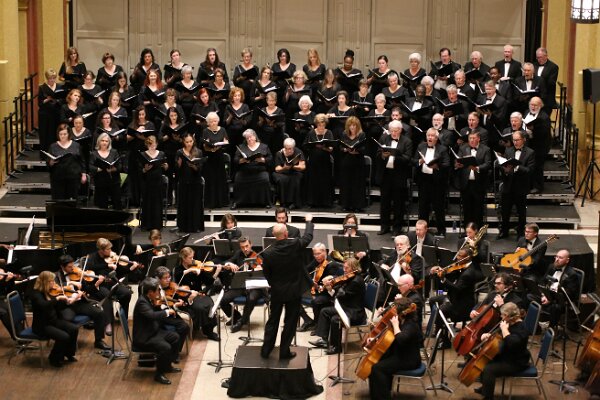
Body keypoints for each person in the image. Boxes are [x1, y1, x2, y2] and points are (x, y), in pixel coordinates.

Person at [260, 214, 314, 360]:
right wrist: (309, 221)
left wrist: (274, 284)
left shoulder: (268, 253)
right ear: (286, 234)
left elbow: (267, 274)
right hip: (294, 291)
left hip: (277, 291)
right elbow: (308, 237)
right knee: (290, 322)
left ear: (274, 235)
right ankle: (284, 351)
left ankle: (266, 350)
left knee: (273, 321)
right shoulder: (295, 245)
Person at [367, 297, 423, 400]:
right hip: (400, 354)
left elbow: (401, 339)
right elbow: (388, 335)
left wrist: (396, 325)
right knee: (375, 362)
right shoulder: (403, 320)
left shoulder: (411, 324)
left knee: (377, 369)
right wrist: (375, 339)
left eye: (395, 309)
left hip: (409, 359)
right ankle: (379, 394)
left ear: (402, 312)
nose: (393, 311)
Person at [473, 302, 531, 400]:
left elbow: (512, 343)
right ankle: (485, 388)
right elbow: (500, 337)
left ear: (509, 316)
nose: (501, 317)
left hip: (516, 362)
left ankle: (488, 397)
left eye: (503, 315)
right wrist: (489, 336)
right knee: (484, 361)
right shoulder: (510, 322)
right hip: (507, 356)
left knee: (489, 369)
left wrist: (504, 330)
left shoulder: (522, 328)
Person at [309, 257, 365, 355]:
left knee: (335, 319)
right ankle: (324, 340)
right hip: (346, 306)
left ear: (353, 268)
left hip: (354, 311)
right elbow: (340, 292)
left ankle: (336, 347)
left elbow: (341, 297)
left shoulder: (356, 281)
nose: (344, 270)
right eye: (344, 267)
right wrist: (330, 287)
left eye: (346, 268)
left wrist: (330, 289)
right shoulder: (349, 277)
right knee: (324, 311)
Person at [429, 248, 483, 349]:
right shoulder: (462, 266)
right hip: (454, 297)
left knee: (441, 311)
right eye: (458, 255)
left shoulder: (469, 273)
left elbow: (457, 289)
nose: (457, 258)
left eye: (460, 256)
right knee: (433, 300)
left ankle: (445, 341)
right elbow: (452, 273)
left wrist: (443, 279)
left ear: (468, 258)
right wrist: (441, 270)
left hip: (462, 305)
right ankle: (438, 328)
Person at [132, 277, 182, 385]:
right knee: (165, 347)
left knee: (175, 337)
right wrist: (167, 312)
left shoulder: (149, 299)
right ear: (150, 292)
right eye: (158, 290)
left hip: (153, 332)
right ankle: (159, 374)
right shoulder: (142, 302)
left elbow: (154, 311)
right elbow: (152, 315)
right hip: (144, 338)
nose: (159, 292)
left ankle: (167, 366)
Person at [54, 254, 109, 348]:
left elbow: (86, 290)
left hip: (79, 303)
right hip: (66, 305)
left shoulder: (77, 273)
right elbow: (56, 287)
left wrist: (96, 284)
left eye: (73, 265)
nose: (72, 268)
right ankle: (65, 343)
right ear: (62, 266)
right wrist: (70, 282)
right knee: (67, 318)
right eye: (69, 267)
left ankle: (99, 341)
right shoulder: (56, 275)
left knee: (99, 312)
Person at [30, 271, 79, 367]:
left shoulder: (50, 292)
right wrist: (57, 299)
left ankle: (68, 354)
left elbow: (57, 307)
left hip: (54, 320)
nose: (54, 283)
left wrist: (67, 301)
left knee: (73, 329)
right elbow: (44, 305)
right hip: (42, 325)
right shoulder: (36, 294)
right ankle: (54, 358)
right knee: (64, 336)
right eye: (51, 281)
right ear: (45, 282)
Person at [154, 266, 216, 341]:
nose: (168, 280)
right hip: (177, 308)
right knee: (200, 309)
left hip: (185, 302)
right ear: (158, 279)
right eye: (165, 278)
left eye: (169, 277)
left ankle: (208, 329)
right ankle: (207, 331)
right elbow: (165, 307)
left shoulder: (172, 285)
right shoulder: (157, 291)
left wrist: (190, 297)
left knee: (206, 304)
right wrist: (177, 304)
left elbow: (183, 296)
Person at [220, 237, 268, 333]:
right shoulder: (238, 254)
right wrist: (230, 264)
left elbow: (266, 272)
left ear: (251, 245)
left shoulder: (257, 256)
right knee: (223, 300)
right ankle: (237, 317)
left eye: (247, 246)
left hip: (255, 287)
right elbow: (225, 262)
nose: (245, 249)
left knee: (251, 299)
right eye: (242, 247)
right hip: (241, 286)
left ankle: (241, 322)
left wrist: (260, 269)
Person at [85, 238, 135, 322]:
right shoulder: (92, 257)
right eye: (108, 249)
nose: (111, 251)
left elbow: (120, 271)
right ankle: (108, 321)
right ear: (101, 250)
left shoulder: (111, 257)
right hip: (100, 285)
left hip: (112, 283)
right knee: (107, 296)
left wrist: (131, 268)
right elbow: (89, 268)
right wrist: (106, 265)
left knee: (127, 293)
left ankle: (122, 316)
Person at [376, 120, 413, 235]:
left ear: (400, 130)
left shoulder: (407, 141)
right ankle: (384, 226)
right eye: (391, 131)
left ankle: (397, 228)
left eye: (396, 131)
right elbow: (377, 153)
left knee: (398, 203)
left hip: (399, 175)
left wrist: (394, 155)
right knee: (384, 202)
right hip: (386, 174)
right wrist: (383, 155)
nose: (393, 133)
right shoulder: (384, 138)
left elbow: (407, 159)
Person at [497, 131, 535, 239]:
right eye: (513, 140)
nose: (515, 142)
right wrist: (505, 170)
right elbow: (503, 166)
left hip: (521, 187)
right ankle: (504, 231)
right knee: (505, 211)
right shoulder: (508, 150)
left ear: (524, 140)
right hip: (508, 186)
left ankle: (521, 233)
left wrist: (517, 167)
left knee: (521, 212)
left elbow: (530, 170)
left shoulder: (530, 152)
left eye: (517, 140)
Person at [414, 128, 451, 235]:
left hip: (437, 182)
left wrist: (437, 166)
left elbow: (447, 164)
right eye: (428, 135)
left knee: (438, 207)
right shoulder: (421, 146)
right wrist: (419, 161)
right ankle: (423, 230)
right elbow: (413, 160)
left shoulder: (442, 149)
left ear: (436, 138)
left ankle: (441, 230)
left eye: (432, 136)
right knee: (423, 207)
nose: (430, 137)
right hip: (423, 180)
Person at [300, 242, 343, 333]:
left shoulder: (331, 264)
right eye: (315, 254)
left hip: (328, 293)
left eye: (318, 254)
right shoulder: (317, 260)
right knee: (295, 296)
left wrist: (318, 288)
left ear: (324, 252)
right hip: (317, 288)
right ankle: (307, 320)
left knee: (316, 301)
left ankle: (317, 324)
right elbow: (307, 269)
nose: (316, 256)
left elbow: (331, 285)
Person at [455, 130, 491, 228]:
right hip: (466, 184)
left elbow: (487, 164)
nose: (471, 140)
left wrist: (477, 168)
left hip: (479, 183)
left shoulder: (486, 149)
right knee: (467, 209)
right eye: (470, 138)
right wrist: (457, 165)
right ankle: (467, 230)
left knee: (478, 209)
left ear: (478, 139)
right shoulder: (463, 148)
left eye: (474, 138)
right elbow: (458, 161)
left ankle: (478, 230)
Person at [536, 249, 580, 328]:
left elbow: (568, 294)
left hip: (560, 300)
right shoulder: (551, 267)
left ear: (567, 260)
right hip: (547, 295)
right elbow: (543, 281)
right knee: (529, 296)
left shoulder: (572, 274)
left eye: (560, 258)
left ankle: (551, 329)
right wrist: (544, 295)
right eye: (556, 257)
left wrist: (550, 298)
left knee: (555, 307)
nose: (557, 259)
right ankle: (536, 326)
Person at [231, 129, 273, 209]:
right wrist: (242, 160)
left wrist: (263, 160)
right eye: (247, 138)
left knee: (265, 179)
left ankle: (266, 202)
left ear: (255, 136)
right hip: (244, 171)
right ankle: (237, 202)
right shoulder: (241, 147)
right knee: (238, 179)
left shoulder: (264, 146)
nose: (249, 139)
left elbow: (270, 158)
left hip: (259, 171)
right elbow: (235, 159)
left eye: (250, 137)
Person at [47, 124, 87, 200]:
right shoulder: (53, 146)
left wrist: (84, 174)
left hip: (73, 178)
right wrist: (51, 163)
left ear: (69, 134)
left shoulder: (76, 145)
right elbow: (48, 163)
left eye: (65, 134)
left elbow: (82, 161)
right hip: (58, 179)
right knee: (58, 201)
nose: (63, 136)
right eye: (61, 134)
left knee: (71, 201)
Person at [303, 113, 335, 208]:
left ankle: (326, 202)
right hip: (313, 161)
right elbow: (305, 146)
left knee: (325, 181)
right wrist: (313, 146)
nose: (321, 127)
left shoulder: (329, 133)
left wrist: (323, 148)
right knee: (314, 181)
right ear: (316, 124)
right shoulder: (311, 133)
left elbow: (331, 148)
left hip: (325, 161)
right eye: (319, 125)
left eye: (323, 125)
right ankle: (312, 202)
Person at [175, 133, 205, 233]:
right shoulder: (179, 152)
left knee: (195, 204)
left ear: (193, 141)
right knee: (184, 203)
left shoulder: (198, 152)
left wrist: (194, 166)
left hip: (195, 181)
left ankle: (195, 226)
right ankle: (183, 227)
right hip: (184, 181)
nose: (189, 144)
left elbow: (200, 169)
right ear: (183, 142)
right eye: (187, 142)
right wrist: (179, 163)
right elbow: (176, 169)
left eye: (191, 141)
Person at [339, 116, 367, 212]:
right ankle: (346, 204)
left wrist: (357, 151)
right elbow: (340, 147)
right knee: (346, 183)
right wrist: (345, 149)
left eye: (354, 125)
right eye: (350, 125)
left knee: (357, 184)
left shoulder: (362, 134)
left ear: (357, 126)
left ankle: (357, 205)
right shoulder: (344, 134)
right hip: (347, 161)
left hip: (358, 162)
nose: (352, 127)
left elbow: (364, 148)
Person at [140, 135, 168, 231]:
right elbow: (139, 171)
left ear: (157, 143)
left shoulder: (161, 153)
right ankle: (147, 225)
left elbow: (166, 168)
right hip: (147, 182)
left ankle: (157, 225)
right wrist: (145, 169)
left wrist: (166, 166)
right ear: (147, 144)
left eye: (154, 144)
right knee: (147, 202)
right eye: (150, 144)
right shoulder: (143, 154)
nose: (152, 146)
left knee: (157, 203)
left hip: (158, 182)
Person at [523, 96, 551, 193]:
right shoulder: (526, 112)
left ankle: (538, 187)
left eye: (535, 105)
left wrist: (533, 129)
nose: (533, 107)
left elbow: (544, 133)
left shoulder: (544, 117)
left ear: (540, 106)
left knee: (537, 167)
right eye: (531, 104)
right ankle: (529, 185)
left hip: (540, 146)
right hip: (528, 144)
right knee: (528, 166)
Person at [89, 132, 122, 209]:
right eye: (102, 140)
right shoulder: (94, 154)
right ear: (99, 141)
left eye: (106, 141)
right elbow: (90, 166)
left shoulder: (114, 152)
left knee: (117, 204)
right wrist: (97, 169)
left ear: (109, 143)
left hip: (114, 181)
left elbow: (120, 165)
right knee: (102, 205)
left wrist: (114, 169)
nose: (104, 143)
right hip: (101, 181)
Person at [273, 138, 305, 209]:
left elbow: (303, 167)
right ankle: (283, 202)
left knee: (295, 179)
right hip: (282, 172)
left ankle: (294, 203)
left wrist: (293, 166)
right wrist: (284, 168)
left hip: (295, 171)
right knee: (282, 180)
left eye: (290, 148)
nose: (288, 150)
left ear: (294, 147)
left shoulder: (298, 152)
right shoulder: (279, 153)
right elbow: (277, 169)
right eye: (286, 148)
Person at [38, 68, 64, 152]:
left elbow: (63, 100)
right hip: (45, 115)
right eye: (50, 78)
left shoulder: (59, 86)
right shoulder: (42, 88)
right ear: (47, 78)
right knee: (45, 134)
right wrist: (48, 99)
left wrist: (57, 100)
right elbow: (40, 103)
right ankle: (45, 152)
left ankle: (57, 151)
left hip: (56, 113)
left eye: (54, 78)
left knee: (56, 133)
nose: (52, 80)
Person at [256, 91, 285, 156]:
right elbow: (259, 125)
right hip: (264, 135)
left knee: (274, 152)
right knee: (265, 152)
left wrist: (273, 125)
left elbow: (282, 124)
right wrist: (261, 121)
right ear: (267, 101)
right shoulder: (263, 110)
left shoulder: (280, 111)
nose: (271, 102)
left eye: (273, 101)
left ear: (275, 101)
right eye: (269, 101)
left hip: (276, 135)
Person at [534, 47, 559, 114]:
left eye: (540, 57)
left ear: (546, 56)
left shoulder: (553, 67)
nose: (539, 59)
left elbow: (551, 82)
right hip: (535, 97)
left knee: (545, 117)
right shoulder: (534, 65)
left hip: (547, 99)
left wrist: (539, 82)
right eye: (537, 57)